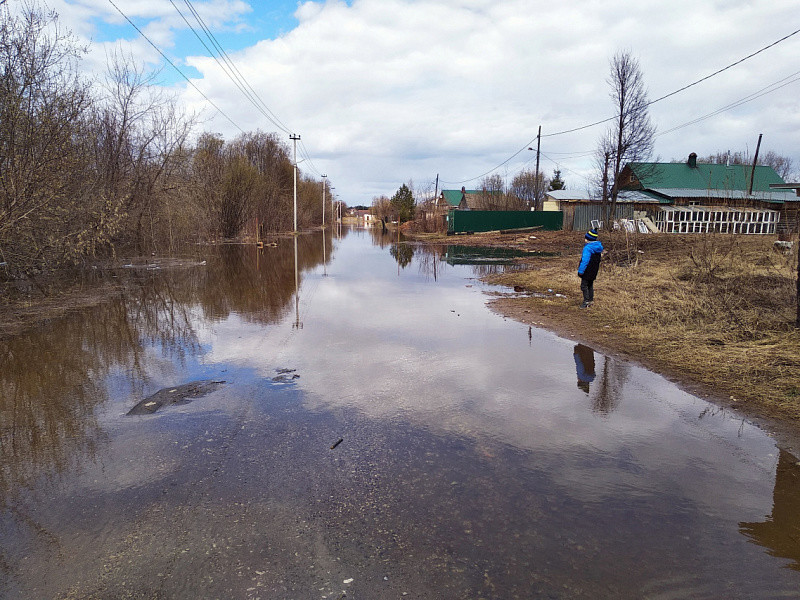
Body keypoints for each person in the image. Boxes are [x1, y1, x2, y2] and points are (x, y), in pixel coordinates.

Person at [577, 228, 603, 308]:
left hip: (587, 270)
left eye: (586, 238)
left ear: (588, 239)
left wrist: (581, 271)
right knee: (590, 284)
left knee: (584, 286)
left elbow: (585, 260)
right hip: (594, 270)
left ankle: (586, 301)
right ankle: (591, 300)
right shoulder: (598, 247)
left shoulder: (588, 248)